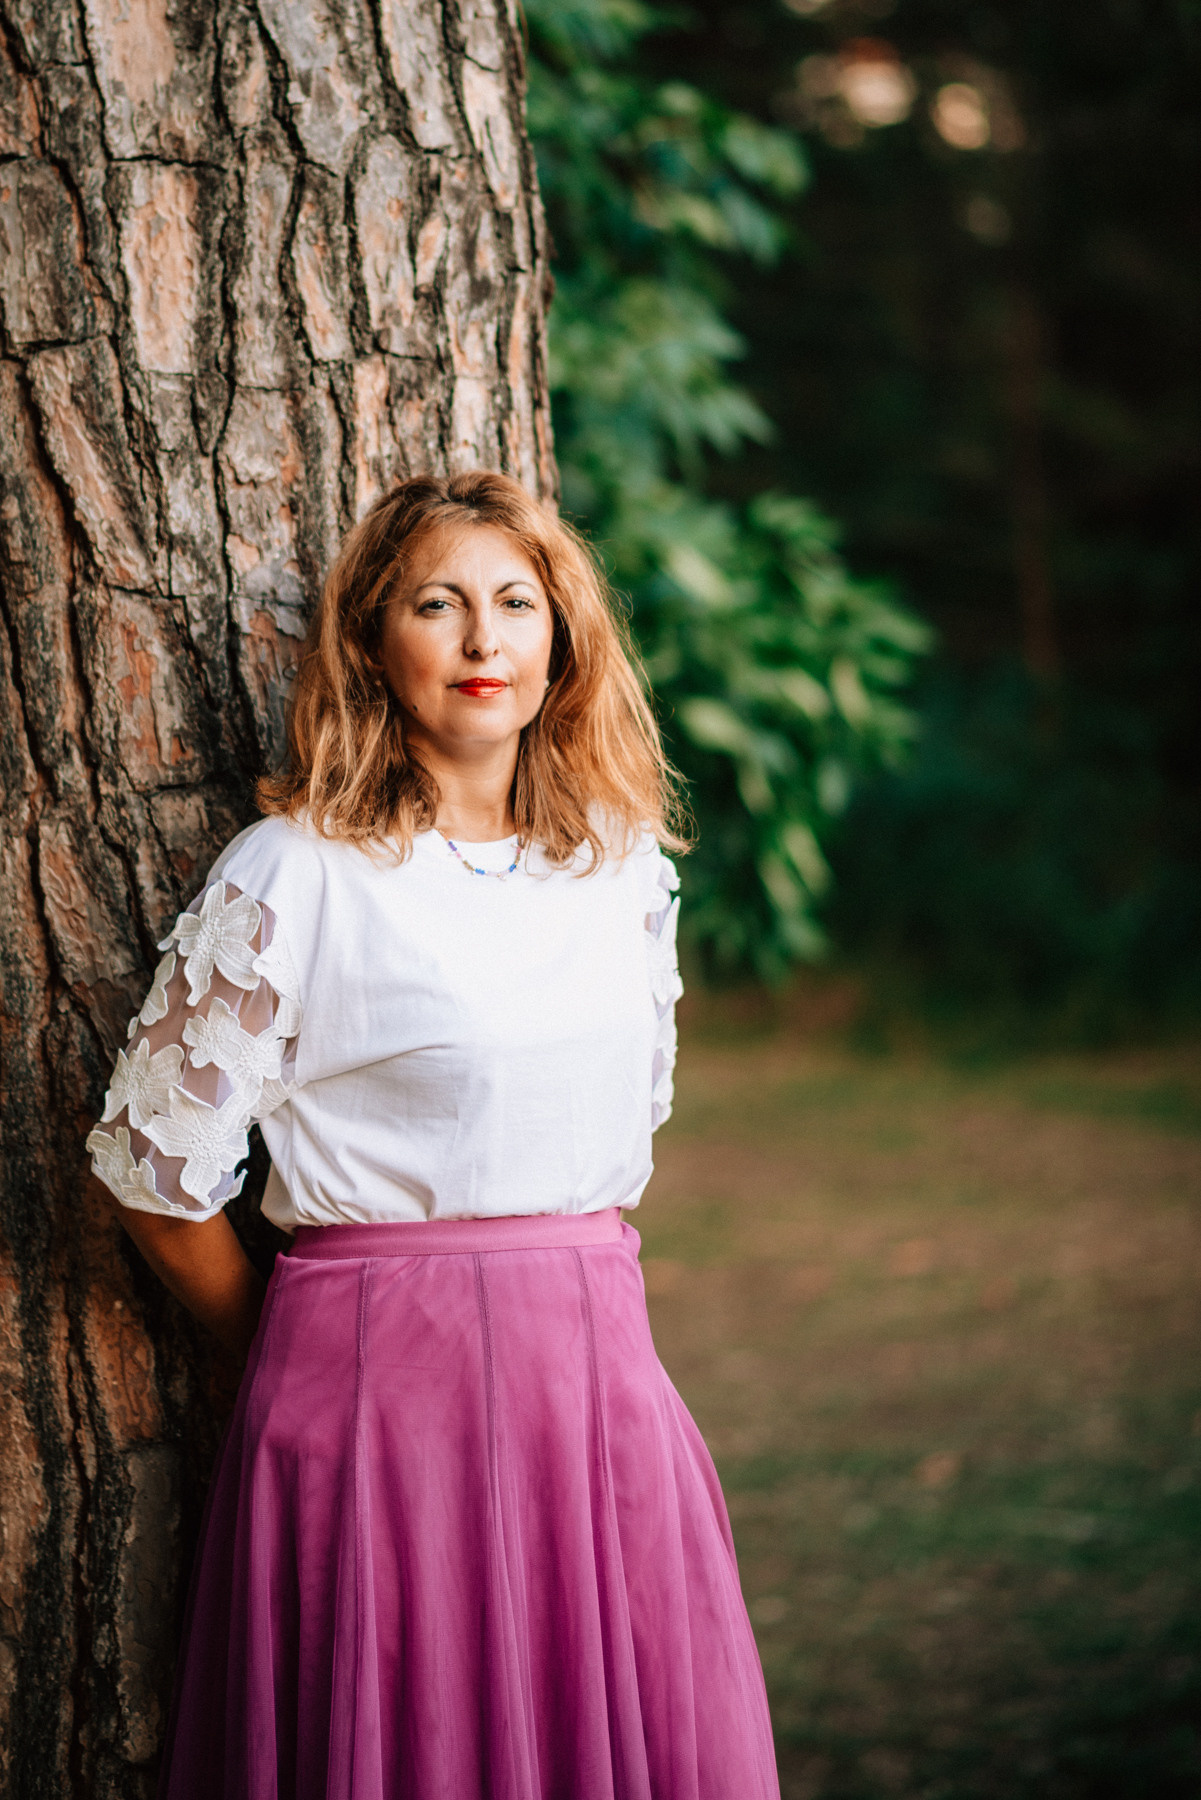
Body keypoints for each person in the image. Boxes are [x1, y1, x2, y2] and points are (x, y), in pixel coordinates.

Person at [87, 471, 780, 1800]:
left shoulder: (622, 866)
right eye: (437, 605)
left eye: (516, 604)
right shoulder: (296, 871)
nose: (482, 641)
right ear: (371, 641)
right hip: (371, 1404)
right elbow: (152, 1173)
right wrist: (281, 1344)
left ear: (561, 640)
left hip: (594, 1394)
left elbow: (609, 1130)